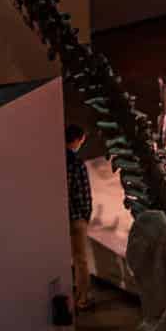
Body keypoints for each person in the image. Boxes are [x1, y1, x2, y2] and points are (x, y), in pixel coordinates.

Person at [65, 121, 94, 312]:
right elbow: (83, 192)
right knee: (80, 258)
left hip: (58, 217)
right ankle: (82, 299)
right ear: (77, 140)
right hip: (75, 217)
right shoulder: (77, 163)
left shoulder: (53, 158)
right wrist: (86, 215)